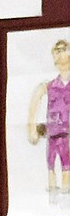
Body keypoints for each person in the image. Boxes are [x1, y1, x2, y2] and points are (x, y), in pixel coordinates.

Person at [27, 36, 70, 201]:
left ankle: (66, 201)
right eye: (57, 51)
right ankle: (53, 200)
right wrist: (32, 128)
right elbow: (35, 101)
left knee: (67, 167)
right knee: (51, 166)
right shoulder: (50, 85)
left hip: (67, 135)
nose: (60, 54)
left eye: (63, 50)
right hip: (53, 134)